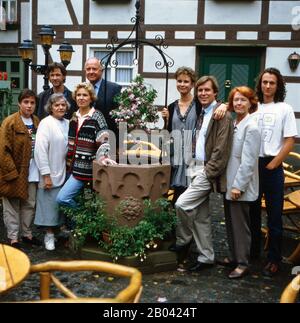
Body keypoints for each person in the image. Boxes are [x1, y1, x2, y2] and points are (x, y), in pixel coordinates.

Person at [171, 76, 233, 272]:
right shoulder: (202, 112)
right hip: (193, 165)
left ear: (215, 93)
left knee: (181, 204)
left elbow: (221, 149)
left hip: (206, 170)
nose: (203, 93)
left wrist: (208, 172)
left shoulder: (221, 115)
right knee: (201, 216)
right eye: (200, 91)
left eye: (207, 90)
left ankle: (183, 239)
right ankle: (207, 257)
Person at [250, 68, 297, 277]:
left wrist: (274, 163)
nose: (267, 86)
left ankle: (274, 259)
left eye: (272, 83)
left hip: (272, 166)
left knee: (274, 215)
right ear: (260, 84)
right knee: (251, 212)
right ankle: (252, 253)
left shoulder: (284, 109)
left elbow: (290, 140)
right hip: (252, 166)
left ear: (278, 86)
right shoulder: (253, 107)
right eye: (265, 82)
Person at [56, 82, 116, 209]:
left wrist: (104, 157)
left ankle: (81, 216)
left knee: (62, 198)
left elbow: (104, 139)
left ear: (91, 98)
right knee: (83, 199)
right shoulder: (73, 117)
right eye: (78, 95)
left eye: (85, 95)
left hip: (86, 169)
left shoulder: (97, 116)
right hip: (71, 167)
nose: (81, 98)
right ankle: (79, 224)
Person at [223, 86, 260, 279]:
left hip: (240, 185)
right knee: (230, 222)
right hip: (229, 181)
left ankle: (243, 263)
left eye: (243, 100)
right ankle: (234, 256)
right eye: (236, 100)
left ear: (250, 103)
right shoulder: (236, 122)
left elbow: (248, 161)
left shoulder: (251, 126)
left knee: (240, 225)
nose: (239, 103)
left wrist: (239, 185)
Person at [0, 89, 41, 248]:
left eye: (32, 102)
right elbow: (3, 150)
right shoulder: (10, 122)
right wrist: (11, 172)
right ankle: (13, 237)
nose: (29, 106)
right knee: (12, 204)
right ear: (19, 103)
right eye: (26, 102)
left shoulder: (37, 121)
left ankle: (27, 234)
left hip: (32, 170)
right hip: (14, 171)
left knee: (29, 203)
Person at [34, 93, 70, 251]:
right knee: (48, 205)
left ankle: (58, 232)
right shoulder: (45, 123)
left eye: (63, 105)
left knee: (59, 205)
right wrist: (45, 174)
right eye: (57, 105)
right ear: (51, 107)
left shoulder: (68, 123)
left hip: (63, 170)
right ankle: (48, 235)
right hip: (49, 170)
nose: (60, 107)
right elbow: (40, 150)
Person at [161, 67, 201, 204]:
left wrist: (223, 106)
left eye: (186, 81)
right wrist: (165, 121)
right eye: (179, 81)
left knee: (188, 198)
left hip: (192, 157)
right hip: (175, 157)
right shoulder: (171, 107)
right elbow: (168, 133)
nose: (182, 84)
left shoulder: (199, 105)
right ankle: (172, 223)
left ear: (192, 84)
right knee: (172, 196)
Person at [84, 57, 122, 137]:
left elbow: (120, 119)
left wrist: (120, 145)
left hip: (109, 139)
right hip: (86, 139)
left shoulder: (114, 89)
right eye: (88, 69)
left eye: (94, 69)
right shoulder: (82, 90)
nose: (91, 72)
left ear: (101, 71)